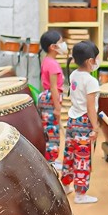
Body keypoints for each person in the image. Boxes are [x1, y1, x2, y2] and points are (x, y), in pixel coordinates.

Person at [61, 40, 100, 203]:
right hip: (84, 121)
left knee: (69, 154)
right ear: (90, 61)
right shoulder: (91, 81)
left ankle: (65, 185)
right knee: (82, 158)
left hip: (72, 120)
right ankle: (81, 195)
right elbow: (91, 108)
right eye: (97, 58)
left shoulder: (74, 74)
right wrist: (96, 127)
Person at [38, 30, 68, 168]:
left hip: (47, 97)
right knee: (52, 131)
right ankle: (51, 161)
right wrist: (57, 108)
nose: (63, 45)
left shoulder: (47, 61)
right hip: (51, 99)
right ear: (53, 47)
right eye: (61, 42)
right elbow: (54, 87)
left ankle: (50, 160)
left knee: (49, 129)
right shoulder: (53, 64)